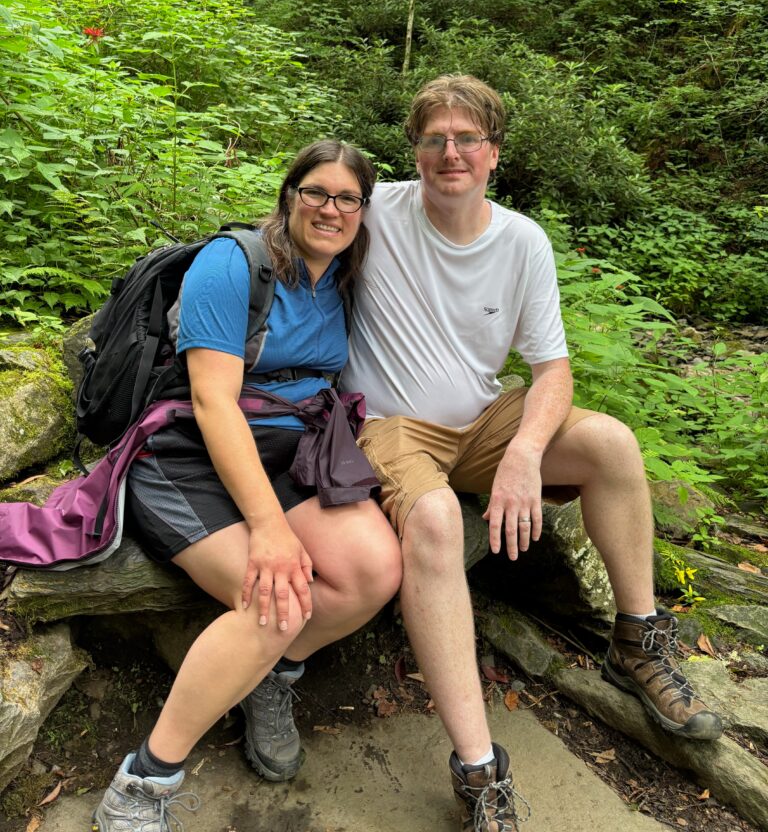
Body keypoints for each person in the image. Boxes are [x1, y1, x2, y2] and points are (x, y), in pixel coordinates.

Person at [341, 76, 723, 832]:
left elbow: (552, 370)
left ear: (494, 153)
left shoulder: (521, 241)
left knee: (610, 443)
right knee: (441, 521)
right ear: (414, 150)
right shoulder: (372, 210)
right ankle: (480, 769)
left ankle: (638, 640)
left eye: (468, 138)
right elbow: (293, 220)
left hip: (486, 415)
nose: (451, 152)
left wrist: (522, 456)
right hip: (391, 424)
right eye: (434, 138)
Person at [92, 140, 403, 832]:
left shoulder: (344, 278)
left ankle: (271, 677)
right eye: (316, 191)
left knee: (373, 571)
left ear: (363, 211)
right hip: (189, 454)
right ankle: (143, 782)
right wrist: (270, 530)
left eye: (347, 197)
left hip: (293, 450)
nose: (330, 208)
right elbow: (212, 403)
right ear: (288, 195)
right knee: (278, 600)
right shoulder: (234, 264)